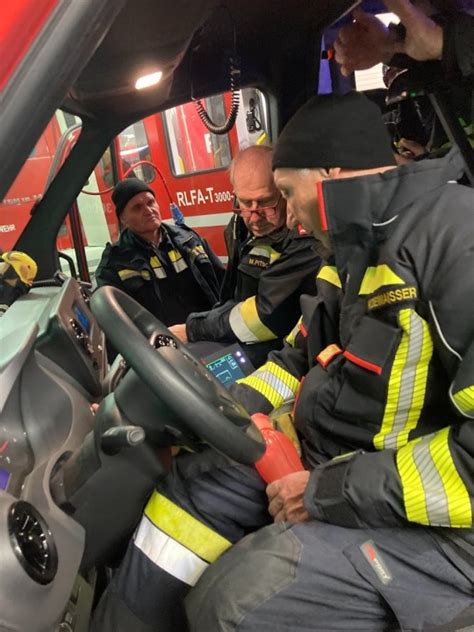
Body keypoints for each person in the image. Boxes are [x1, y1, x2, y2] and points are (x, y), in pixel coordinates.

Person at [92, 92, 473, 632]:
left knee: (234, 602)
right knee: (190, 487)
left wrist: (324, 492)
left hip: (432, 526)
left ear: (331, 175)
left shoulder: (457, 245)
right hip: (333, 461)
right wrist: (225, 408)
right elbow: (296, 357)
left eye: (288, 194)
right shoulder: (355, 250)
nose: (290, 218)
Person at [169, 145, 322, 367]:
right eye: (245, 202)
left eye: (265, 202)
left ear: (284, 192)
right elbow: (233, 297)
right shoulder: (238, 226)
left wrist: (194, 328)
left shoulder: (304, 239)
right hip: (241, 340)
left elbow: (265, 316)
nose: (255, 216)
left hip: (284, 354)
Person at [95, 178, 225, 328]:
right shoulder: (115, 262)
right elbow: (112, 319)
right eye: (137, 208)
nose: (148, 211)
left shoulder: (188, 240)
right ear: (123, 219)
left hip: (208, 332)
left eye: (151, 203)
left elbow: (223, 283)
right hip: (159, 345)